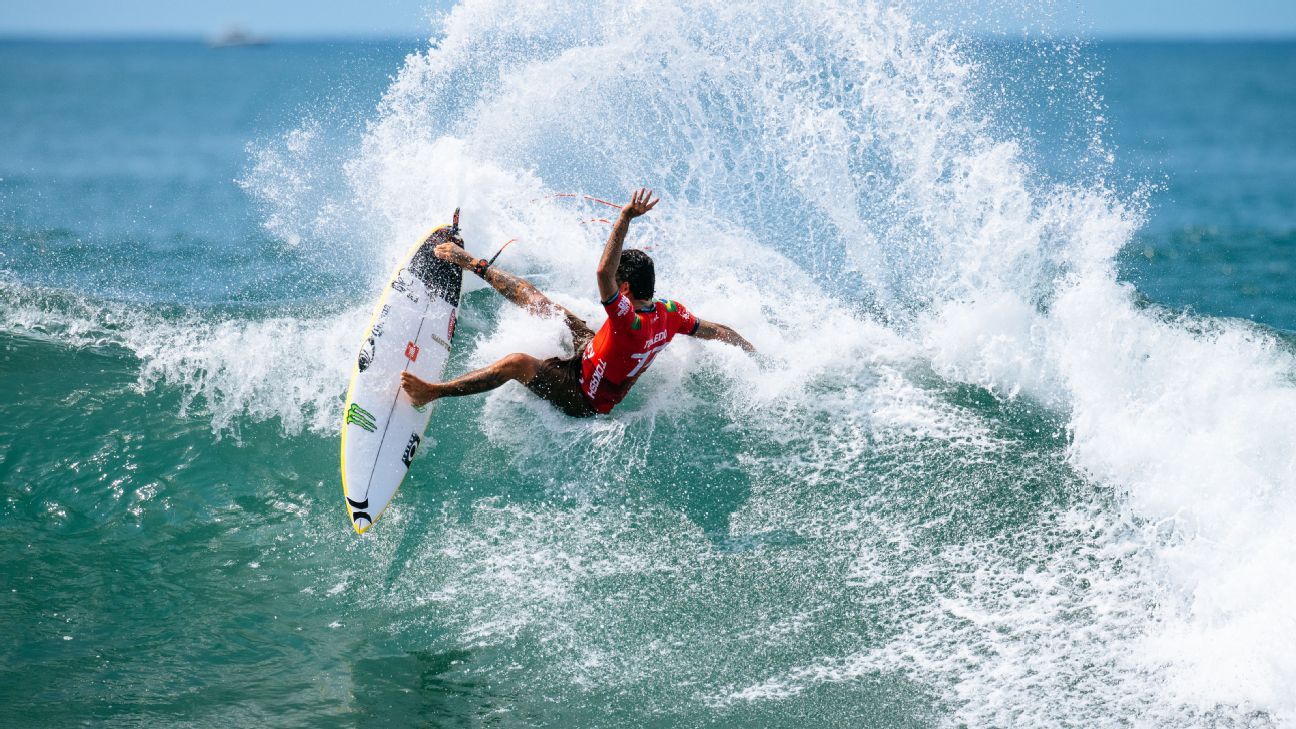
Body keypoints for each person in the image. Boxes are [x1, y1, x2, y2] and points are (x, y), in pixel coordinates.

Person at [400, 188, 754, 417]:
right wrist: (750, 350)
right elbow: (714, 330)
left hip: (583, 397)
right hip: (593, 356)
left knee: (516, 363)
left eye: (618, 285)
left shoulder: (629, 323)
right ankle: (470, 262)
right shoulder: (669, 313)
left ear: (626, 288)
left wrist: (624, 218)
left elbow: (603, 273)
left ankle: (431, 393)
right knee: (541, 303)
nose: (610, 288)